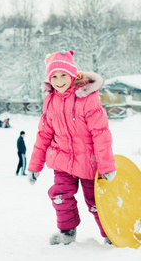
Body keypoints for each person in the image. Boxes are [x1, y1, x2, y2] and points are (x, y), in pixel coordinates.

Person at [28, 50, 116, 246]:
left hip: (88, 161)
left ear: (73, 75)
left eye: (63, 75)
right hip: (62, 159)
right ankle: (67, 233)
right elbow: (44, 135)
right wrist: (35, 166)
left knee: (95, 202)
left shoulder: (88, 98)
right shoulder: (50, 100)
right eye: (54, 76)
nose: (59, 81)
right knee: (60, 195)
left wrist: (107, 166)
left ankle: (110, 233)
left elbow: (101, 133)